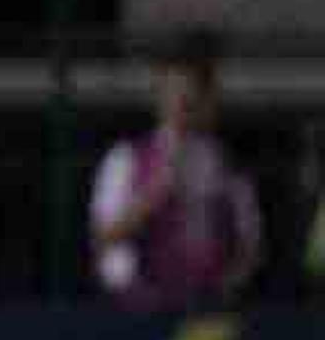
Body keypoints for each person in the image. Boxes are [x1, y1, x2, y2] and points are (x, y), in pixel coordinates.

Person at [90, 32, 262, 309]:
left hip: (207, 307)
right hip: (142, 305)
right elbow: (102, 238)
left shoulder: (225, 163)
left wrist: (226, 287)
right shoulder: (127, 158)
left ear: (206, 97)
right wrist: (152, 198)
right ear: (159, 95)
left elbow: (249, 245)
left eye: (191, 92)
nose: (183, 101)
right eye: (174, 91)